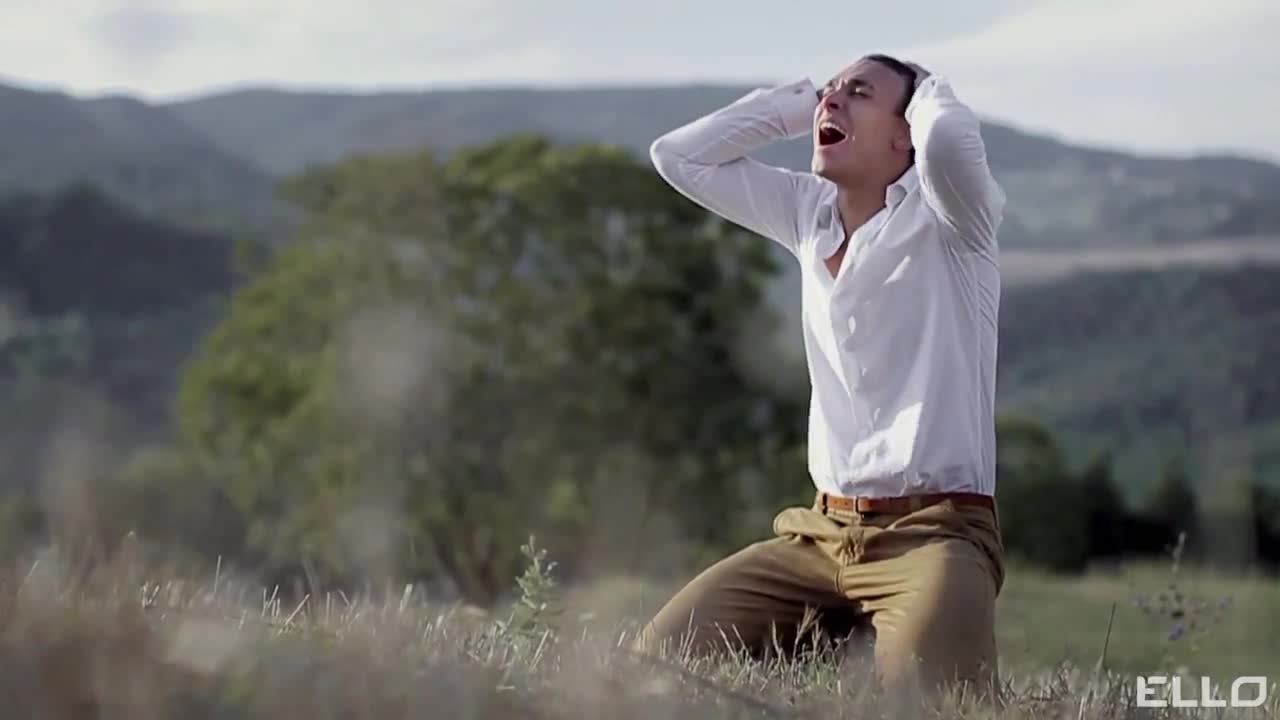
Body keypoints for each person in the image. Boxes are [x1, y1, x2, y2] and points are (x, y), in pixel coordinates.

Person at [636, 54, 1008, 699]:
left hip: (935, 535)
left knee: (926, 701)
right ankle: (839, 642)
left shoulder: (954, 219)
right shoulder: (808, 213)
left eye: (859, 93)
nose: (833, 102)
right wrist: (801, 103)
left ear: (906, 134)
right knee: (655, 662)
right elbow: (677, 157)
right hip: (818, 536)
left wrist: (926, 89)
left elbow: (948, 138)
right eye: (831, 93)